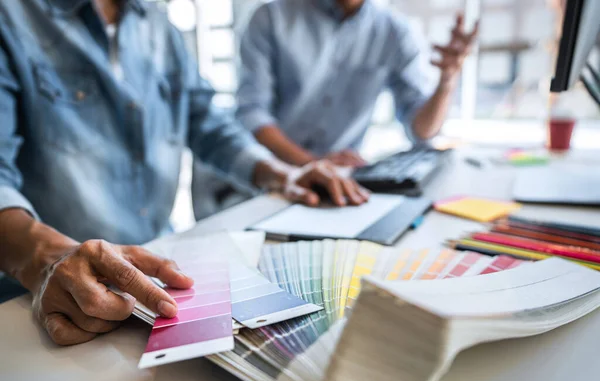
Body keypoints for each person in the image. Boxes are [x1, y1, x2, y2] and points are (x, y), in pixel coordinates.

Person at [0, 0, 369, 346]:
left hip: (154, 269)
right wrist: (50, 258)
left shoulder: (157, 24)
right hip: (43, 295)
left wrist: (283, 173)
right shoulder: (11, 18)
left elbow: (205, 121)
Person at [236, 0, 479, 167]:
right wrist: (312, 165)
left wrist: (446, 83)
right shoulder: (271, 17)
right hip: (271, 174)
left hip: (342, 178)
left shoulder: (395, 31)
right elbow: (252, 114)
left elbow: (422, 132)